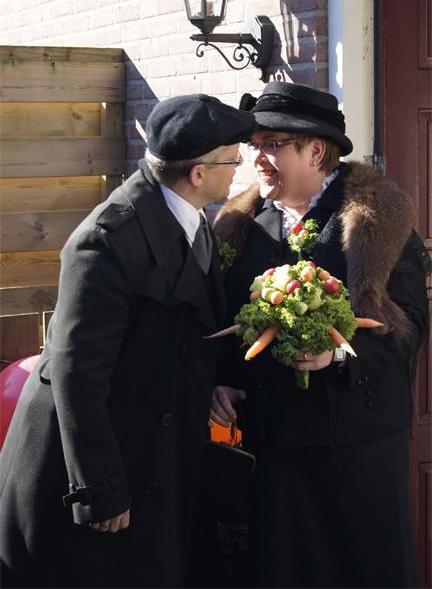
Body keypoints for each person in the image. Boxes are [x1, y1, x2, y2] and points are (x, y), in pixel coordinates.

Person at [0, 94, 257, 589]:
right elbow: (76, 372)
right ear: (198, 173)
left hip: (148, 449)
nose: (240, 167)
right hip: (86, 470)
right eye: (233, 159)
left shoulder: (190, 217)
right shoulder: (105, 239)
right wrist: (99, 487)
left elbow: (180, 331)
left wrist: (213, 384)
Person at [210, 82, 430, 589]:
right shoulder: (241, 225)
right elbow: (221, 319)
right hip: (273, 453)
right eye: (253, 145)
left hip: (354, 452)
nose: (257, 158)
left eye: (271, 144)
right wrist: (219, 381)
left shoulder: (376, 226)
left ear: (315, 151)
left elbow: (409, 329)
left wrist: (338, 355)